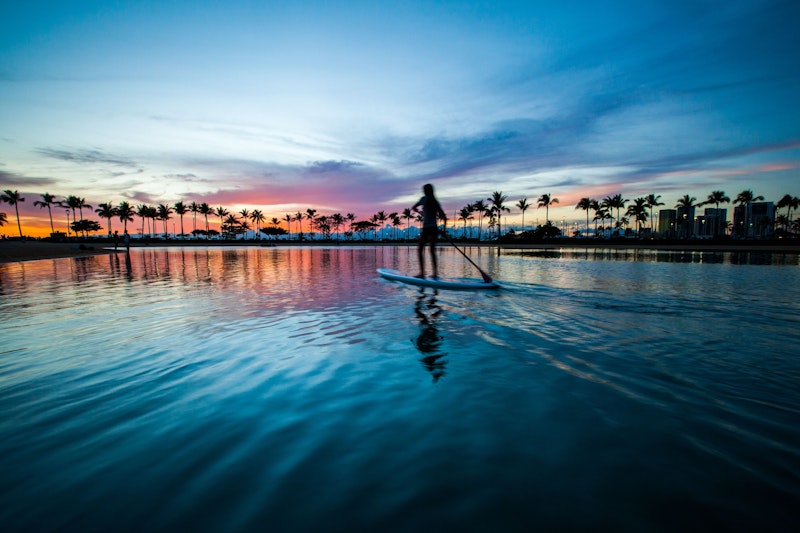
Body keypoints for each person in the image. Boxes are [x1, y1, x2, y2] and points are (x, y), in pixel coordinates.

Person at [412, 183, 447, 279]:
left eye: (425, 190)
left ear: (428, 191)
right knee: (431, 251)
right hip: (433, 229)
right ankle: (433, 274)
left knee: (421, 250)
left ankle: (424, 273)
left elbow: (414, 207)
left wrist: (419, 212)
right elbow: (444, 217)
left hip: (428, 229)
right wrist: (443, 230)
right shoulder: (434, 201)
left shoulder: (426, 200)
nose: (424, 192)